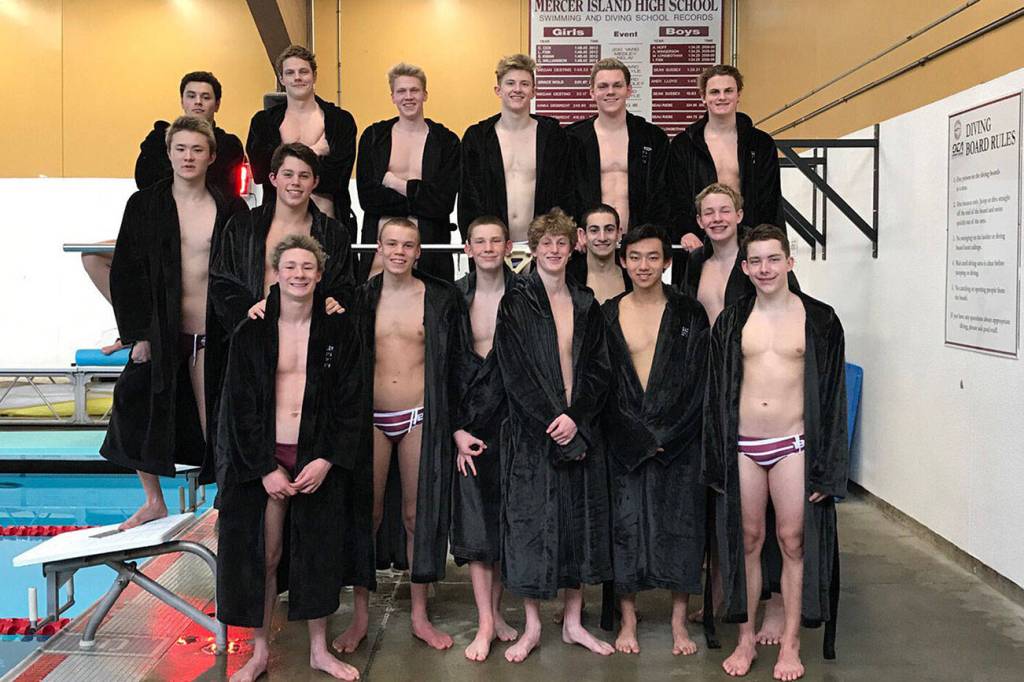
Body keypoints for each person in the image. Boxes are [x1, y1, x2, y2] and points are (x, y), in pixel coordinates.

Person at [459, 208, 614, 663]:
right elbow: (514, 370)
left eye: (561, 243)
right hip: (532, 435)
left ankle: (571, 623)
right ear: (533, 248)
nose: (552, 249)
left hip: (578, 431)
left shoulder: (585, 301)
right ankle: (530, 627)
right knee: (529, 529)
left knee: (577, 528)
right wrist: (552, 420)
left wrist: (577, 418)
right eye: (544, 243)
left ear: (573, 247)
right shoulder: (516, 301)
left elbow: (599, 371)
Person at [216, 235, 367, 682]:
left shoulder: (340, 328)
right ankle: (260, 651)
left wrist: (327, 459)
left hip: (316, 455)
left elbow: (351, 400)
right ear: (275, 274)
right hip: (266, 456)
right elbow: (237, 405)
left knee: (317, 554)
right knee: (266, 553)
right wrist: (262, 467)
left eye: (308, 268)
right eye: (291, 267)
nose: (299, 275)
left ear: (320, 275)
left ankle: (319, 650)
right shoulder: (252, 331)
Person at [703, 224, 847, 680]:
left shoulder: (820, 320)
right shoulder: (731, 320)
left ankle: (789, 644)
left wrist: (830, 470)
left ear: (789, 261)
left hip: (793, 444)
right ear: (745, 268)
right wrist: (715, 460)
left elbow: (833, 396)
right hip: (744, 444)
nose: (765, 268)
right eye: (756, 261)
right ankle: (745, 640)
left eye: (773, 259)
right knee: (746, 541)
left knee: (793, 542)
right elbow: (715, 392)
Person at [100, 116, 246, 529]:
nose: (188, 157)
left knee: (215, 419)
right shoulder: (144, 204)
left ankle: (223, 505)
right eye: (181, 149)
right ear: (168, 154)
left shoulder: (228, 207)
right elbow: (125, 272)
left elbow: (239, 271)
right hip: (161, 331)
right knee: (131, 405)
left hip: (210, 332)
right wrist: (137, 335)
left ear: (211, 157)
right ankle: (153, 501)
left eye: (197, 150)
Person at [333, 218, 465, 653]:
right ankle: (359, 619)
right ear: (379, 247)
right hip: (371, 416)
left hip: (419, 415)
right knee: (365, 517)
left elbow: (454, 365)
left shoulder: (437, 298)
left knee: (415, 516)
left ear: (418, 251)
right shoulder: (359, 299)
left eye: (408, 245)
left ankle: (420, 616)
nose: (399, 252)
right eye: (391, 244)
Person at [601, 224, 709, 656]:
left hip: (677, 440)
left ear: (666, 262)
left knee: (680, 528)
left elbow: (700, 380)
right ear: (623, 261)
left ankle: (679, 623)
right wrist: (632, 435)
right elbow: (601, 382)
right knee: (624, 529)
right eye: (635, 257)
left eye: (652, 257)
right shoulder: (607, 313)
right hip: (625, 440)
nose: (643, 266)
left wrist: (669, 435)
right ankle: (627, 620)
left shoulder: (689, 313)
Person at [81, 71, 245, 346]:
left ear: (217, 103)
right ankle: (138, 328)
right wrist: (140, 331)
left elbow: (225, 189)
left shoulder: (228, 149)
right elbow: (143, 181)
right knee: (95, 257)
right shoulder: (159, 141)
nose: (198, 103)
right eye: (191, 96)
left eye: (205, 97)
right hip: (160, 230)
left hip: (205, 248)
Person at [450, 217, 517, 661]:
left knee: (506, 523)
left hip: (512, 422)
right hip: (468, 424)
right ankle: (485, 621)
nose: (489, 247)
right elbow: (443, 367)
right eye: (480, 241)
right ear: (468, 248)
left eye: (496, 240)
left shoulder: (527, 294)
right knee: (476, 526)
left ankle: (498, 612)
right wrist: (455, 430)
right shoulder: (454, 297)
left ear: (509, 246)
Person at [210, 142, 355, 335]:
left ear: (315, 182)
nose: (295, 182)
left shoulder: (334, 233)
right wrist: (246, 311)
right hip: (252, 335)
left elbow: (345, 287)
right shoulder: (242, 226)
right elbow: (222, 282)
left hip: (310, 339)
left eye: (304, 176)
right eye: (288, 174)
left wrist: (336, 301)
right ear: (273, 178)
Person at [459, 53, 573, 250]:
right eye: (510, 83)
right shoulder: (477, 138)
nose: (517, 89)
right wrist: (475, 241)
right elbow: (468, 198)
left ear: (534, 90)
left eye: (524, 84)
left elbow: (566, 192)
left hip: (544, 246)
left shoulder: (553, 136)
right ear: (498, 90)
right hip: (493, 247)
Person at [357, 63, 460, 281]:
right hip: (380, 249)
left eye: (414, 90)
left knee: (432, 308)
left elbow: (443, 203)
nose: (408, 97)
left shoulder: (446, 141)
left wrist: (395, 183)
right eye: (401, 91)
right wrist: (422, 197)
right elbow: (368, 198)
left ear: (425, 94)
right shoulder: (374, 137)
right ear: (392, 96)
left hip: (430, 247)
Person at [670, 65, 783, 256]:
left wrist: (767, 240)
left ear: (738, 94)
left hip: (749, 240)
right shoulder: (684, 144)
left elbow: (769, 199)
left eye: (728, 91)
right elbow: (676, 196)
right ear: (703, 97)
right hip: (698, 242)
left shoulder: (761, 143)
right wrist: (684, 231)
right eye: (714, 92)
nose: (721, 97)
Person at [247, 45, 358, 234]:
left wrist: (283, 161)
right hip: (277, 226)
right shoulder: (263, 122)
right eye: (290, 73)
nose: (297, 78)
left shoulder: (340, 121)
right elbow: (261, 173)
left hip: (326, 224)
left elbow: (337, 179)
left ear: (314, 76)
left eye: (303, 72)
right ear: (282, 79)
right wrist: (315, 151)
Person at [566, 58, 670, 233]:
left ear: (629, 90)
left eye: (617, 85)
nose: (610, 92)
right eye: (603, 86)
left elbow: (664, 194)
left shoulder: (653, 137)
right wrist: (572, 231)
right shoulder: (573, 139)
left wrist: (655, 234)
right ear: (592, 92)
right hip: (588, 242)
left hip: (640, 241)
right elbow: (564, 193)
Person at [567, 203, 631, 303]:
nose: (602, 238)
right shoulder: (568, 278)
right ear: (582, 235)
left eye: (609, 230)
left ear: (618, 234)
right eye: (594, 230)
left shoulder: (633, 274)